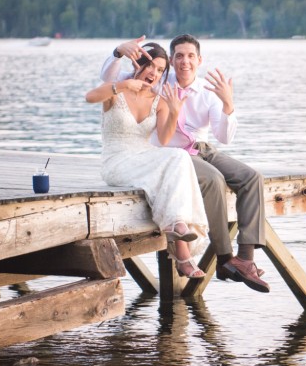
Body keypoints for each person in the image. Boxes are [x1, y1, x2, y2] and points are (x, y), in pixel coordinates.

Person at [100, 35, 269, 293]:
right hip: (172, 154)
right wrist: (117, 52)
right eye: (179, 56)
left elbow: (224, 137)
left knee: (252, 177)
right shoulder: (156, 78)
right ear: (171, 59)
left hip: (202, 149)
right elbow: (109, 78)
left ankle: (245, 259)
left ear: (199, 60)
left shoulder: (207, 91)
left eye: (190, 56)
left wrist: (228, 104)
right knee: (213, 180)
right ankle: (224, 258)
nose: (184, 61)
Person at [85, 43, 209, 279]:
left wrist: (173, 111)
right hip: (117, 162)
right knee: (169, 169)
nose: (154, 73)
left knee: (180, 156)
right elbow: (89, 97)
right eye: (150, 65)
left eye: (161, 70)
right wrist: (123, 84)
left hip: (144, 156)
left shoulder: (158, 100)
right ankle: (182, 250)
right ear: (137, 64)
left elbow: (163, 139)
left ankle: (176, 228)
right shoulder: (116, 91)